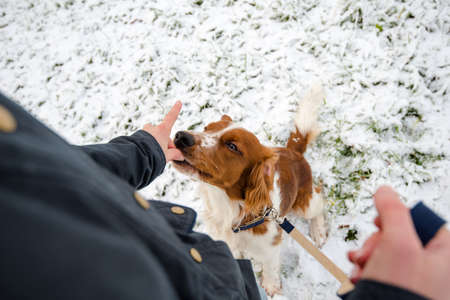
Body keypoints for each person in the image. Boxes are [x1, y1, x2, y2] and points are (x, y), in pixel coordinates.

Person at [0, 92, 448, 299]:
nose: (196, 141)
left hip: (277, 202)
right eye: (209, 134)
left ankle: (311, 218)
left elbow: (71, 172)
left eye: (228, 145)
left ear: (253, 175)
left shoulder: (265, 205)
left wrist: (142, 152)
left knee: (308, 206)